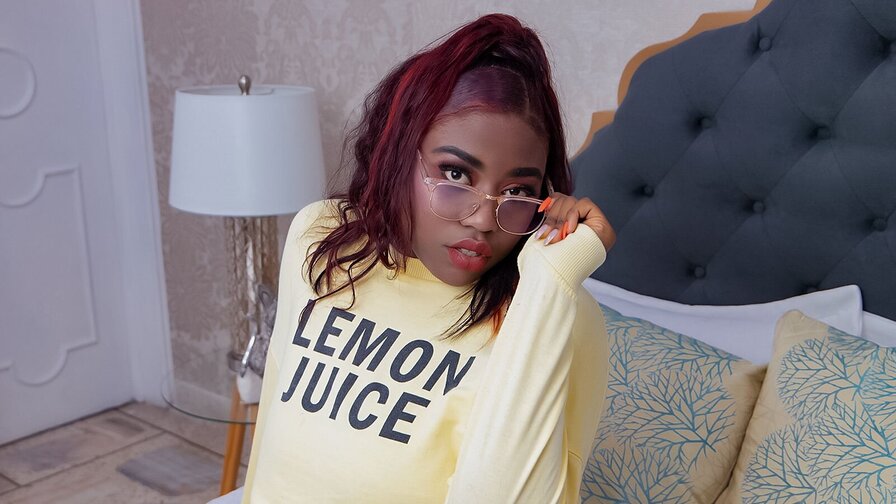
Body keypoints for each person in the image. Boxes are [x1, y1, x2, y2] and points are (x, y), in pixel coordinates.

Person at [237, 13, 615, 503]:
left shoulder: (558, 310)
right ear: (400, 153)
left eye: (518, 190)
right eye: (455, 174)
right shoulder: (323, 237)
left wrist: (548, 284)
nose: (484, 219)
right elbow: (272, 433)